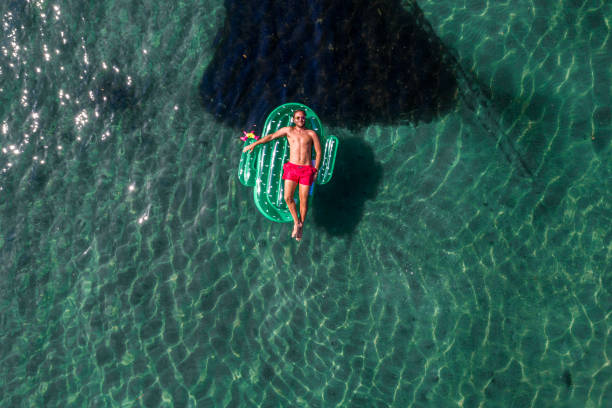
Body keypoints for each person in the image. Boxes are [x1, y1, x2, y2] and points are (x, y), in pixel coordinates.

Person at [243, 110, 321, 241]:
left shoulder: (311, 133)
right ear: (293, 119)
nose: (301, 119)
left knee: (303, 199)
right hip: (292, 168)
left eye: (303, 118)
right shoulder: (288, 131)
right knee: (287, 198)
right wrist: (254, 143)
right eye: (298, 118)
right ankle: (297, 222)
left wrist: (316, 170)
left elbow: (318, 152)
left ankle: (301, 225)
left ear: (305, 119)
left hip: (307, 169)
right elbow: (271, 136)